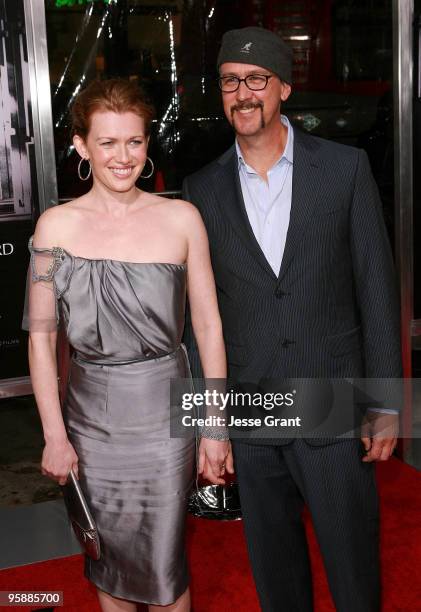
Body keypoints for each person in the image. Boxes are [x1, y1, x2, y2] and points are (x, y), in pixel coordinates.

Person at [182, 27, 401, 612]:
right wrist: (210, 423)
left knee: (353, 568)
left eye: (256, 80)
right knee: (275, 574)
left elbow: (376, 288)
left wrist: (386, 402)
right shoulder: (199, 191)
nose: (243, 93)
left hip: (331, 394)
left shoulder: (344, 169)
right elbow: (199, 320)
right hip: (250, 408)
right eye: (231, 81)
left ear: (284, 87)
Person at [25, 78, 233, 612]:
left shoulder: (181, 218)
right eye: (108, 143)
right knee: (106, 560)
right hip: (89, 421)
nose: (123, 156)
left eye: (134, 142)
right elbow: (43, 339)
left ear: (148, 144)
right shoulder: (54, 228)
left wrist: (215, 425)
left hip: (165, 417)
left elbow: (208, 326)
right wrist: (54, 434)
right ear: (80, 146)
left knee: (165, 569)